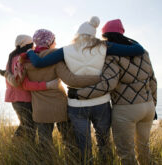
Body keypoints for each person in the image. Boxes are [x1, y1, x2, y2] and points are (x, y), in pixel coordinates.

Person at [24, 16, 145, 164]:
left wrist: (30, 52)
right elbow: (138, 49)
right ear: (93, 35)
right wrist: (126, 38)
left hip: (77, 104)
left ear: (78, 34)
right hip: (101, 102)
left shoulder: (66, 50)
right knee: (104, 142)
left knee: (84, 145)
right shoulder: (104, 47)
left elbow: (39, 62)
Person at [67, 19, 157, 165]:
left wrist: (79, 94)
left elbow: (109, 83)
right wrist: (154, 104)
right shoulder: (143, 52)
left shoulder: (111, 56)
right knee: (144, 149)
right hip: (148, 107)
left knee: (126, 153)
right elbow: (152, 80)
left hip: (126, 109)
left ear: (105, 36)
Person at [4, 29, 101, 163]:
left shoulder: (24, 61)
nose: (55, 43)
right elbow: (72, 80)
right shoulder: (56, 59)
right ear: (49, 42)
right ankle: (73, 162)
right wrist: (97, 79)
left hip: (40, 110)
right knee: (69, 141)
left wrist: (6, 74)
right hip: (60, 107)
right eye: (54, 41)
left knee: (45, 145)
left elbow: (20, 83)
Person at [3, 34, 61, 144]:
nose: (34, 46)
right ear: (29, 45)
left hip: (15, 99)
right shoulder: (22, 59)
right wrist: (46, 85)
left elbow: (13, 81)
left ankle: (16, 146)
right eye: (32, 44)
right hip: (24, 98)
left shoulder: (11, 58)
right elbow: (23, 84)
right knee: (29, 127)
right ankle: (24, 149)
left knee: (25, 125)